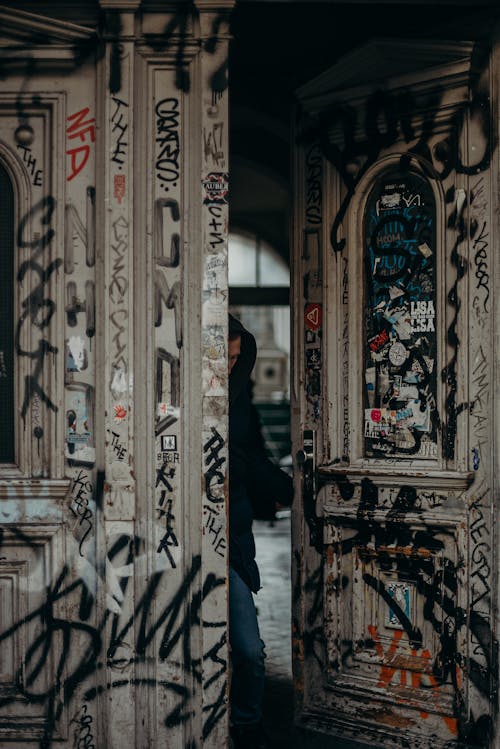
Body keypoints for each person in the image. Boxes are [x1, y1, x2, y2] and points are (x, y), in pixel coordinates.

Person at [228, 314, 294, 749]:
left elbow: (251, 456)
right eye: (224, 357)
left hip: (231, 539)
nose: (230, 366)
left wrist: (281, 488)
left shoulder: (239, 402)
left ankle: (247, 726)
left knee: (249, 651)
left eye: (236, 358)